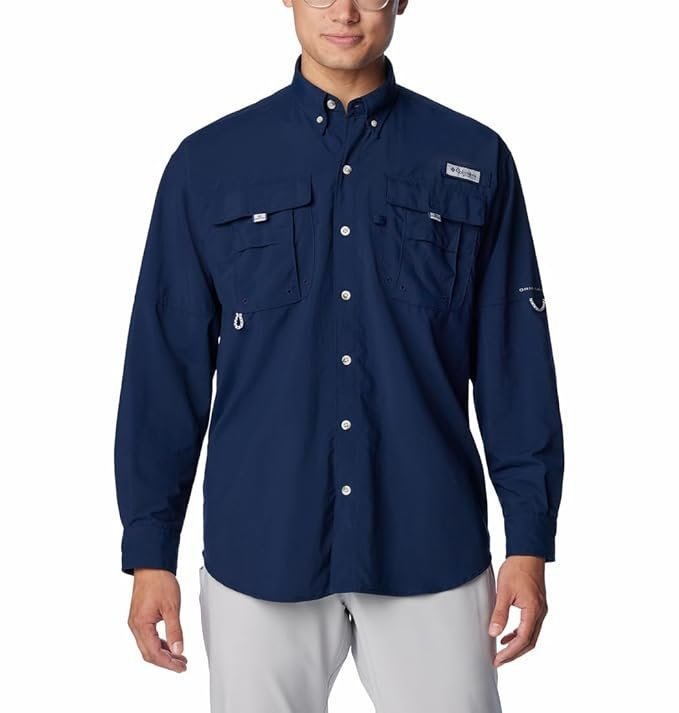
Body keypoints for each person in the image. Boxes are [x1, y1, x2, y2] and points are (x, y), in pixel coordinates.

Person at [114, 1, 565, 711]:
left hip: (429, 542)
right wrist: (150, 552)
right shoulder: (208, 163)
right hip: (260, 546)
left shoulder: (475, 158)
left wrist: (528, 542)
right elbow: (164, 369)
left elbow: (516, 366)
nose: (345, 11)